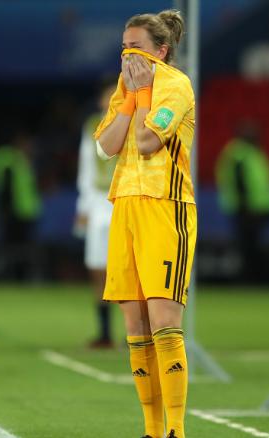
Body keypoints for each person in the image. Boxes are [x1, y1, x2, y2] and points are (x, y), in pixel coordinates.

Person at [94, 9, 194, 438]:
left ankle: (176, 430)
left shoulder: (176, 86)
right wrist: (132, 97)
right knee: (134, 326)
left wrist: (145, 95)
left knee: (164, 323)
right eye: (123, 48)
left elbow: (149, 141)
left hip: (164, 207)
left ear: (161, 51)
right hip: (126, 206)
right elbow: (106, 146)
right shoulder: (127, 87)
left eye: (136, 47)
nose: (128, 56)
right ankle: (152, 430)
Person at [75, 80, 117, 349]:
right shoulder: (93, 126)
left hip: (125, 200)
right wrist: (84, 207)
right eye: (108, 96)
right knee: (96, 267)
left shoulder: (137, 123)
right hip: (99, 202)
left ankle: (139, 332)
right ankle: (104, 332)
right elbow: (86, 168)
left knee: (131, 269)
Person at [214, 121, 269, 281]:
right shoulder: (240, 154)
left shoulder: (246, 152)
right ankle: (250, 278)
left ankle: (251, 276)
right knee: (249, 246)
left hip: (255, 208)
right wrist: (245, 208)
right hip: (248, 209)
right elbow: (240, 183)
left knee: (251, 244)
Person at [0, 132, 42, 280]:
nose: (30, 147)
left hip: (27, 211)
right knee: (10, 246)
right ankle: (9, 275)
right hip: (11, 211)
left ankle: (22, 275)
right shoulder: (5, 157)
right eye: (27, 143)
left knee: (24, 247)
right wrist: (4, 207)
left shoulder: (25, 160)